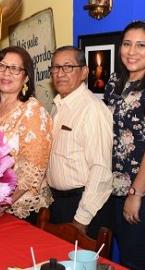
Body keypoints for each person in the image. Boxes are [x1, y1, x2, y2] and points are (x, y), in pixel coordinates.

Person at [104, 21, 145, 270]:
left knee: (135, 268)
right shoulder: (114, 83)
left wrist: (136, 193)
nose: (132, 51)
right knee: (116, 267)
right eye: (127, 44)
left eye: (141, 45)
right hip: (114, 189)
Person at [0, 46, 53, 225]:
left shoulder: (32, 110)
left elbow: (32, 170)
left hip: (21, 209)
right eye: (2, 66)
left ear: (26, 77)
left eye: (15, 69)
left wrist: (1, 205)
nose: (6, 73)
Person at [46, 45, 113, 238]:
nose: (60, 73)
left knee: (85, 268)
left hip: (83, 207)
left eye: (68, 67)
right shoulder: (58, 106)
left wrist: (81, 219)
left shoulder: (92, 109)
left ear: (84, 72)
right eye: (55, 67)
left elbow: (100, 170)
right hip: (59, 204)